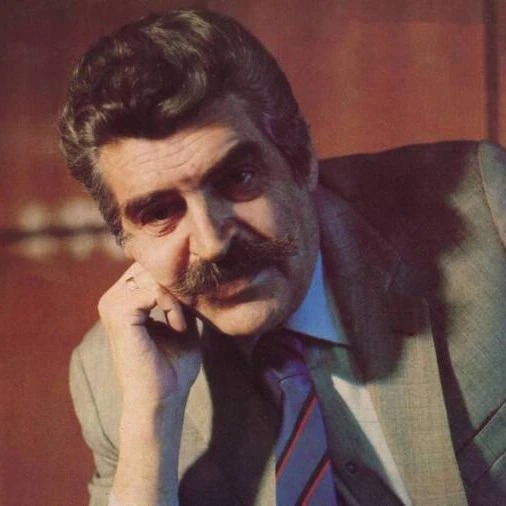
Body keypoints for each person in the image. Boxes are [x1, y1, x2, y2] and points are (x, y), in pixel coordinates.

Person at [60, 9, 506, 506]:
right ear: (125, 240)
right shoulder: (114, 380)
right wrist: (151, 422)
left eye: (238, 178)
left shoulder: (488, 211)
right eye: (160, 212)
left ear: (302, 160)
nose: (212, 242)